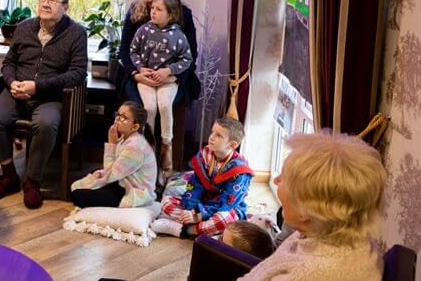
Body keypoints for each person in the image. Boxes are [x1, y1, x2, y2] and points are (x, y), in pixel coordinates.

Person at [0, 0, 87, 209]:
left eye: (52, 0)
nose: (45, 4)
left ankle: (32, 181)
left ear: (65, 7)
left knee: (46, 123)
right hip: (16, 91)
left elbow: (78, 73)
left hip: (50, 97)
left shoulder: (76, 33)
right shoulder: (24, 27)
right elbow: (8, 63)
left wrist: (37, 87)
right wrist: (12, 82)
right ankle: (9, 176)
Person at [239, 133, 386, 280]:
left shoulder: (308, 275)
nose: (276, 180)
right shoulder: (325, 232)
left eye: (284, 178)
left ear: (306, 210)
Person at [151, 117, 254, 238]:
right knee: (166, 202)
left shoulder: (240, 170)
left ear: (232, 145)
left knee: (224, 219)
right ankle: (203, 228)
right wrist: (191, 209)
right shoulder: (205, 156)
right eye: (212, 132)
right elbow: (194, 186)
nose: (211, 137)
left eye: (218, 135)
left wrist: (199, 215)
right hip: (202, 201)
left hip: (223, 208)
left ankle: (186, 230)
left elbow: (226, 203)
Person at [129, 0, 192, 173]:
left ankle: (166, 146)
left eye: (158, 9)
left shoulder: (178, 35)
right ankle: (147, 146)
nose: (153, 12)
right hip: (146, 80)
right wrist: (141, 69)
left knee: (164, 106)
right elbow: (132, 51)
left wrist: (169, 70)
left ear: (170, 15)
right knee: (149, 108)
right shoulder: (143, 30)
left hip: (167, 82)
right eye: (152, 8)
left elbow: (187, 60)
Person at [70, 101, 157, 208]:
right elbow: (114, 168)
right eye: (117, 114)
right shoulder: (126, 137)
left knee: (78, 195)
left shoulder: (134, 147)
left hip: (133, 191)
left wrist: (112, 144)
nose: (117, 119)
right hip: (123, 181)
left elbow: (110, 175)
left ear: (134, 127)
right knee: (94, 173)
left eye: (123, 117)